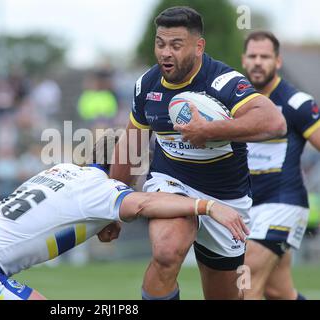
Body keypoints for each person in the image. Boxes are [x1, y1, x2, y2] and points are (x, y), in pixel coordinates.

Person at [0, 134, 249, 300]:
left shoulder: (64, 169)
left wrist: (105, 222)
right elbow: (142, 204)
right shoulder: (101, 189)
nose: (137, 180)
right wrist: (207, 206)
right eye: (138, 171)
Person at [109, 6, 286, 300]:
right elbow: (130, 147)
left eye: (176, 45)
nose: (165, 52)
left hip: (227, 197)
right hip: (172, 184)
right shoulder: (147, 85)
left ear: (199, 46)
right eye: (160, 43)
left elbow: (274, 123)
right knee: (167, 251)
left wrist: (209, 131)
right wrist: (111, 207)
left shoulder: (223, 82)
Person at [241, 31, 320, 300]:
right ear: (243, 60)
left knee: (245, 279)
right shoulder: (235, 100)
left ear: (277, 61)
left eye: (265, 56)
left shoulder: (296, 102)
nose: (258, 62)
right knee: (279, 292)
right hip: (246, 206)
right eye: (253, 56)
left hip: (283, 203)